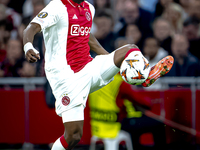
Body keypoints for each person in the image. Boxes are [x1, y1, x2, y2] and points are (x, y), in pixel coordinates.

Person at [23, 0, 173, 149]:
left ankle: (145, 77)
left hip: (89, 66)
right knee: (73, 135)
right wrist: (28, 46)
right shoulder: (57, 6)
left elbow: (88, 37)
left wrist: (110, 59)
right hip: (66, 77)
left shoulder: (89, 8)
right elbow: (31, 28)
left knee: (130, 50)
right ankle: (137, 76)